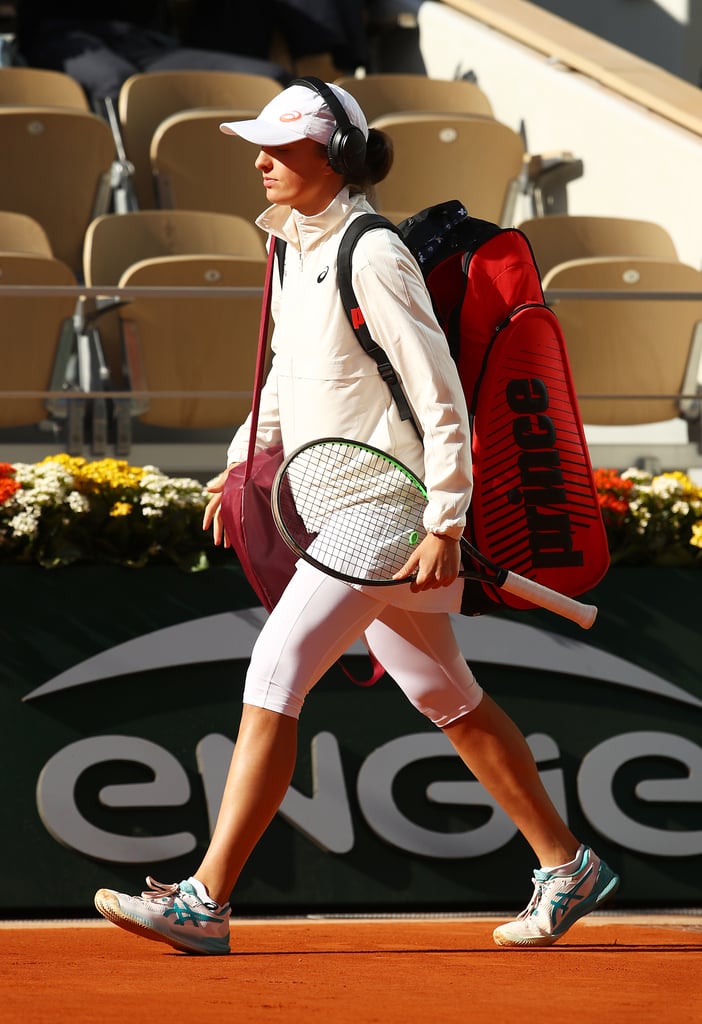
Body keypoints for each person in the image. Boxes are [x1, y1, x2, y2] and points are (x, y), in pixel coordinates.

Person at [93, 79, 619, 954]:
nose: (259, 162)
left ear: (331, 158)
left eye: (279, 147)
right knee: (442, 691)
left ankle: (205, 899)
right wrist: (237, 466)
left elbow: (440, 396)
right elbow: (282, 377)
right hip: (343, 504)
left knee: (275, 669)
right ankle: (568, 865)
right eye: (258, 146)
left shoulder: (372, 253)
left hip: (384, 512)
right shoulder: (297, 248)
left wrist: (445, 520)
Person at [14, 0, 290, 106]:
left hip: (143, 41)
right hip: (65, 37)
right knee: (117, 83)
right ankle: (133, 184)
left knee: (271, 79)